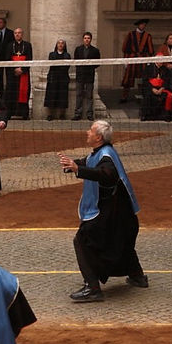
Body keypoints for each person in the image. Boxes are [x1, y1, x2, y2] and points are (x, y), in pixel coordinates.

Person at [58, 121, 148, 302]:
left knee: (82, 241)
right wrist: (72, 165)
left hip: (112, 213)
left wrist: (78, 169)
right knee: (121, 242)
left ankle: (92, 288)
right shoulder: (101, 152)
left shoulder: (106, 157)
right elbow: (89, 163)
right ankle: (137, 276)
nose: (87, 132)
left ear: (98, 137)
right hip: (120, 213)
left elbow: (105, 174)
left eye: (90, 131)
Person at [120, 19, 153, 104]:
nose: (143, 26)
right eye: (142, 24)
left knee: (144, 78)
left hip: (143, 59)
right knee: (128, 78)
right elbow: (125, 48)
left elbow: (150, 49)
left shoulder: (147, 35)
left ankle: (143, 96)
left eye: (144, 25)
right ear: (138, 25)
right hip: (132, 58)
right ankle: (124, 96)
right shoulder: (131, 34)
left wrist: (149, 60)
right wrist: (126, 60)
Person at [4, 27, 33, 119]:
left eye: (19, 33)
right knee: (11, 93)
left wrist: (22, 69)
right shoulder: (9, 45)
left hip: (23, 73)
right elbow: (7, 59)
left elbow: (29, 59)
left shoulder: (27, 45)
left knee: (23, 92)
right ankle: (10, 113)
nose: (17, 34)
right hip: (12, 74)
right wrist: (14, 69)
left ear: (22, 34)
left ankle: (23, 114)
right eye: (15, 33)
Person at [72, 32, 100, 121]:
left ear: (91, 39)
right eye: (85, 38)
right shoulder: (78, 49)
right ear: (83, 39)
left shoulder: (95, 50)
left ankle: (89, 114)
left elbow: (98, 63)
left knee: (89, 96)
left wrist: (90, 67)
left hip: (89, 76)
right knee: (78, 95)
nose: (86, 40)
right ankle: (77, 114)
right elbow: (76, 61)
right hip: (80, 75)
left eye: (88, 38)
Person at [43, 39, 71, 120]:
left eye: (62, 43)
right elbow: (52, 65)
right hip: (53, 78)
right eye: (59, 43)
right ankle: (50, 115)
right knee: (51, 96)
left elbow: (67, 66)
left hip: (63, 78)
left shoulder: (67, 55)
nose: (60, 45)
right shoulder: (52, 54)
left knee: (63, 96)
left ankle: (62, 115)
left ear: (64, 45)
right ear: (56, 45)